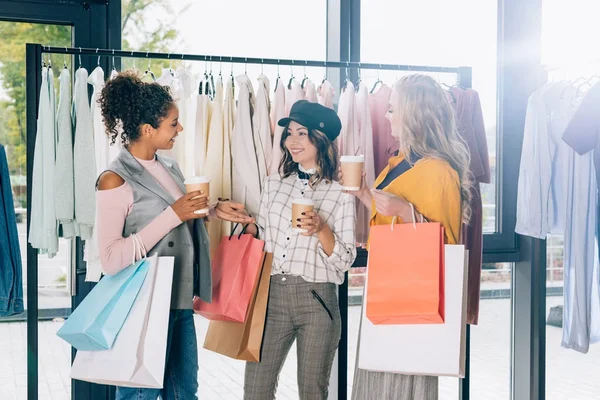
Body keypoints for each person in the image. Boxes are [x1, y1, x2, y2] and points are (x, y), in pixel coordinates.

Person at [95, 71, 253, 400]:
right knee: (139, 395)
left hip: (179, 299)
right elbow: (110, 259)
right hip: (143, 303)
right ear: (148, 129)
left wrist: (212, 211)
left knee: (185, 393)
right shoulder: (114, 179)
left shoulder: (170, 167)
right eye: (173, 123)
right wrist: (174, 214)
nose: (179, 129)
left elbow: (179, 216)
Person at [346, 74, 472, 400]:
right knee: (376, 383)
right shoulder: (398, 164)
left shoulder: (440, 172)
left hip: (415, 299)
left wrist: (405, 211)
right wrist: (364, 195)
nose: (386, 116)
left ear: (413, 114)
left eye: (392, 109)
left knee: (400, 386)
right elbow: (388, 224)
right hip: (387, 290)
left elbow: (447, 249)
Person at [243, 100, 357, 400]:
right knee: (255, 390)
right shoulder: (274, 184)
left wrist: (321, 228)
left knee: (312, 392)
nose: (291, 141)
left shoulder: (341, 192)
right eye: (289, 133)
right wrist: (247, 225)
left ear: (320, 139)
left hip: (317, 299)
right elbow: (265, 236)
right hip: (274, 295)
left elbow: (345, 259)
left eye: (301, 133)